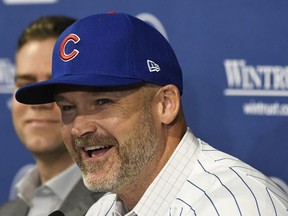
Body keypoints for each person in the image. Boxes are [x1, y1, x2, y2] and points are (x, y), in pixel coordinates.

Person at [15, 13, 288, 215]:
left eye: (102, 101)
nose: (79, 127)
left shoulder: (235, 206)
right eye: (68, 108)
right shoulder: (102, 211)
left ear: (166, 104)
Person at [0, 16, 103, 216]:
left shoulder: (120, 206)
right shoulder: (8, 212)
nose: (38, 102)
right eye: (25, 85)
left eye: (52, 87)